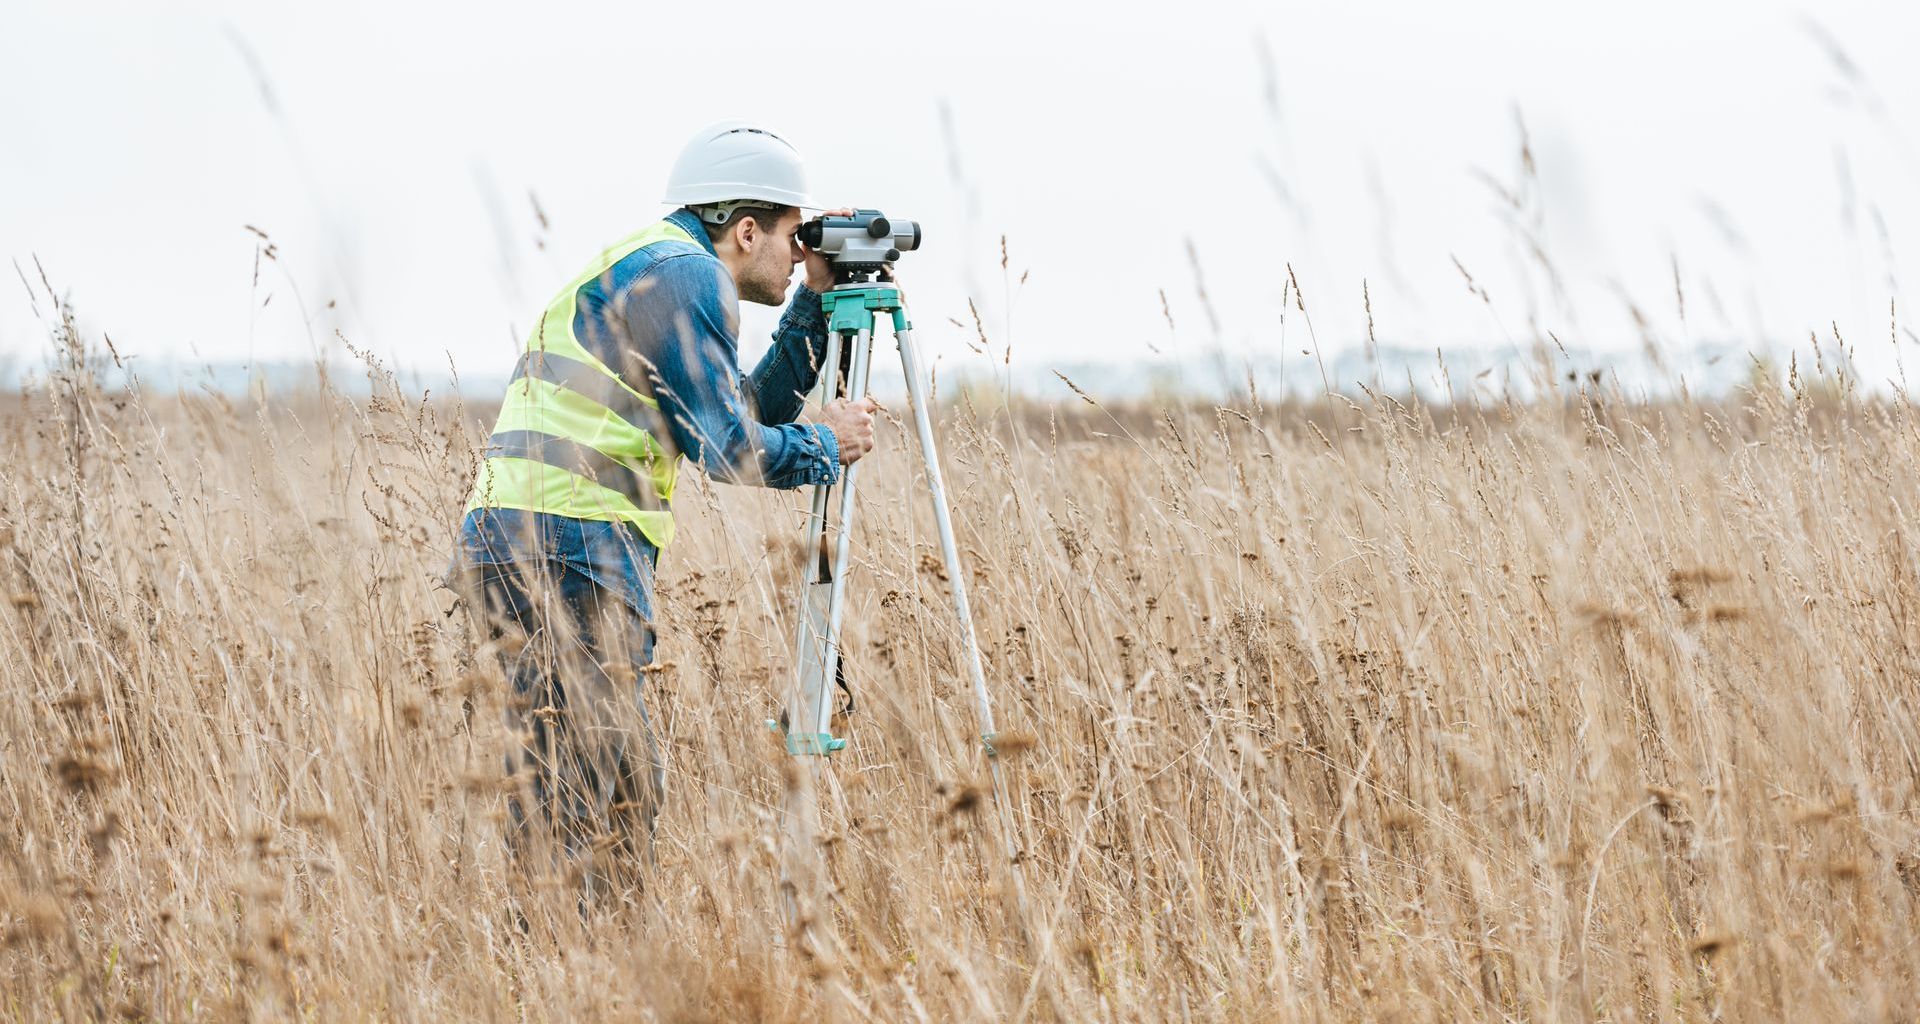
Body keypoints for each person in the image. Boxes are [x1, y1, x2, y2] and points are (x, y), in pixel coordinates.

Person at [448, 120, 878, 893]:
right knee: (594, 794)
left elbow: (738, 407)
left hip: (524, 539)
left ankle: (570, 965)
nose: (799, 253)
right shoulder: (689, 279)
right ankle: (579, 975)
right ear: (746, 230)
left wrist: (812, 304)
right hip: (569, 545)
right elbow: (728, 447)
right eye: (793, 236)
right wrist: (826, 445)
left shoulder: (656, 264)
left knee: (597, 784)